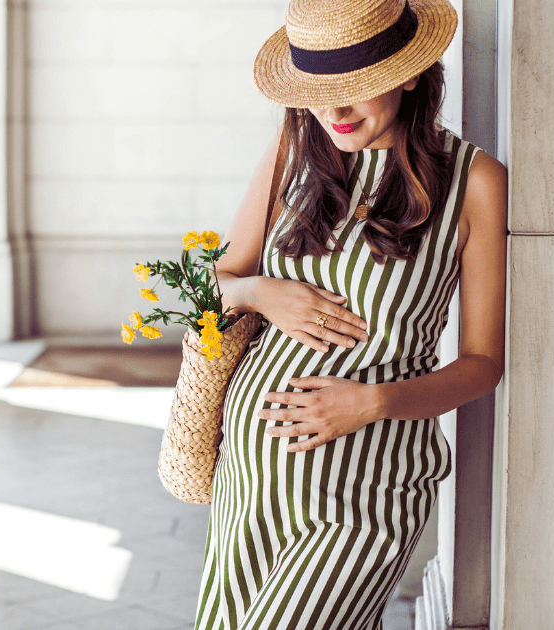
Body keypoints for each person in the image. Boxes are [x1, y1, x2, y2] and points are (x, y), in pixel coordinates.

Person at [196, 0, 507, 628]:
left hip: (369, 490)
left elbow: (483, 365)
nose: (333, 112)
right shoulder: (291, 153)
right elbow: (215, 285)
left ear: (409, 72)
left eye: (355, 90)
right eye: (317, 92)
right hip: (253, 485)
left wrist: (371, 402)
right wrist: (259, 292)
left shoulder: (475, 181)